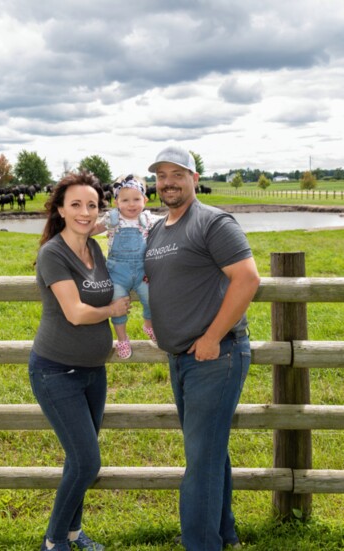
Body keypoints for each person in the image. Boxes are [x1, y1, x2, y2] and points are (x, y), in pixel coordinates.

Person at [144, 146, 261, 551]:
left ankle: (199, 543)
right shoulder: (158, 229)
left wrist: (211, 338)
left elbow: (247, 279)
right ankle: (223, 535)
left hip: (217, 356)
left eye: (178, 174)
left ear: (195, 178)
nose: (168, 182)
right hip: (181, 358)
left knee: (201, 462)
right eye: (161, 175)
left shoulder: (213, 222)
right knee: (209, 453)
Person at [28, 170, 130, 551]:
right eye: (76, 205)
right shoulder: (52, 253)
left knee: (78, 459)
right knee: (87, 462)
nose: (85, 212)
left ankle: (73, 532)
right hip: (56, 372)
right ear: (60, 209)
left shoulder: (96, 249)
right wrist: (114, 308)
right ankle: (55, 541)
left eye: (92, 204)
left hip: (93, 372)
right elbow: (74, 311)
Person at [95, 174, 161, 359]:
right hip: (117, 273)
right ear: (116, 202)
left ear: (145, 200)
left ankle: (149, 324)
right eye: (125, 200)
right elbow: (91, 230)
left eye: (136, 199)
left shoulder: (148, 219)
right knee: (117, 303)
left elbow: (171, 222)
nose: (131, 204)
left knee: (151, 298)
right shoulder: (112, 218)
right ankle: (122, 338)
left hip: (142, 272)